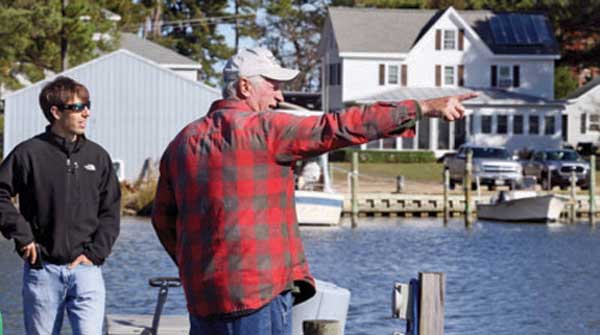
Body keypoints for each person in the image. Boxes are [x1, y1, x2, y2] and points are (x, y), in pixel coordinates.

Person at [151, 46, 476, 335]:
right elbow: (337, 126)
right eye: (273, 86)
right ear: (245, 86)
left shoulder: (181, 143)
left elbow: (162, 220)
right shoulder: (266, 129)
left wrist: (194, 268)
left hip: (203, 299)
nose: (278, 96)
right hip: (256, 295)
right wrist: (420, 108)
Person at [0, 76, 121, 335]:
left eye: (87, 105)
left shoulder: (98, 157)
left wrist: (95, 254)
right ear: (55, 112)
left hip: (87, 271)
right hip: (42, 271)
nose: (86, 112)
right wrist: (23, 236)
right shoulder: (28, 153)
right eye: (77, 107)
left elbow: (110, 211)